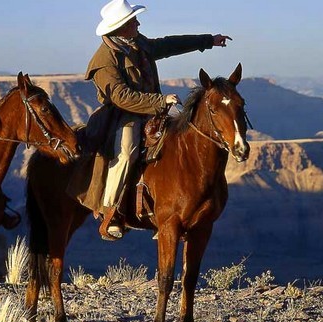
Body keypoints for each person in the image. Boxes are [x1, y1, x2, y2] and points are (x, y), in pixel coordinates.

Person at [86, 0, 231, 240]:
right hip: (125, 114)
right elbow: (122, 97)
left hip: (155, 108)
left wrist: (207, 41)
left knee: (187, 135)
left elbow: (167, 45)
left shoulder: (136, 43)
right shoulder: (104, 60)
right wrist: (160, 102)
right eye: (133, 21)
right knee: (126, 152)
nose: (138, 23)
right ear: (121, 27)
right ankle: (112, 211)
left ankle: (175, 210)